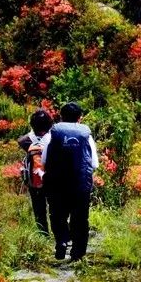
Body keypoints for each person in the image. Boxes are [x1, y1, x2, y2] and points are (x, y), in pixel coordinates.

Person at [43, 102, 99, 261]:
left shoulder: (52, 134)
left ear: (61, 116)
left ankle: (61, 241)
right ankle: (78, 253)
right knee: (80, 218)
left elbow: (44, 160)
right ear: (80, 118)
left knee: (57, 215)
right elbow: (94, 164)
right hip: (80, 184)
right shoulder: (86, 136)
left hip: (56, 183)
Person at [16, 110, 53, 235]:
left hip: (34, 180)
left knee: (38, 209)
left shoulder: (24, 141)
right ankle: (59, 234)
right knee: (55, 208)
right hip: (52, 179)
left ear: (32, 124)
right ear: (50, 124)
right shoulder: (53, 140)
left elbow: (21, 140)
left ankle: (43, 234)